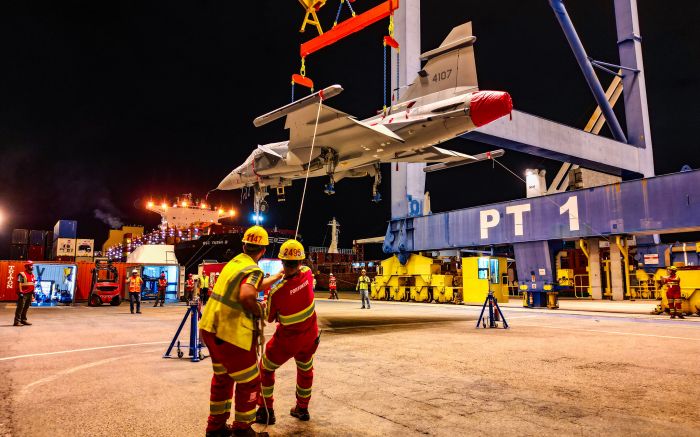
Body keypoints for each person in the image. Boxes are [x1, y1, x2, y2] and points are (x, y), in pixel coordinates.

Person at [199, 226, 283, 437]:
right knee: (250, 381)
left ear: (244, 245)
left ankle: (215, 428)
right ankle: (243, 429)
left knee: (223, 378)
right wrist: (259, 310)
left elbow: (249, 286)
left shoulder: (235, 264)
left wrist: (275, 278)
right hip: (231, 334)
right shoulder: (253, 270)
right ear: (263, 250)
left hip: (210, 329)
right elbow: (247, 294)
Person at [256, 239, 319, 426]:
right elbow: (303, 272)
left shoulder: (277, 291)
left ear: (282, 263)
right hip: (309, 337)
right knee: (306, 370)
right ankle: (302, 408)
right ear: (300, 262)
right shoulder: (307, 274)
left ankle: (266, 410)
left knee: (266, 368)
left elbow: (269, 317)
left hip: (287, 341)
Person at [14, 261, 36, 326]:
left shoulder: (32, 275)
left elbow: (32, 284)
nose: (32, 266)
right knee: (20, 307)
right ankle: (16, 322)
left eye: (32, 265)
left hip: (30, 293)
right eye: (31, 265)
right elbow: (19, 283)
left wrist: (33, 293)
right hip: (23, 294)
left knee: (26, 307)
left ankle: (23, 320)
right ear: (27, 266)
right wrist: (20, 292)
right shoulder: (22, 274)